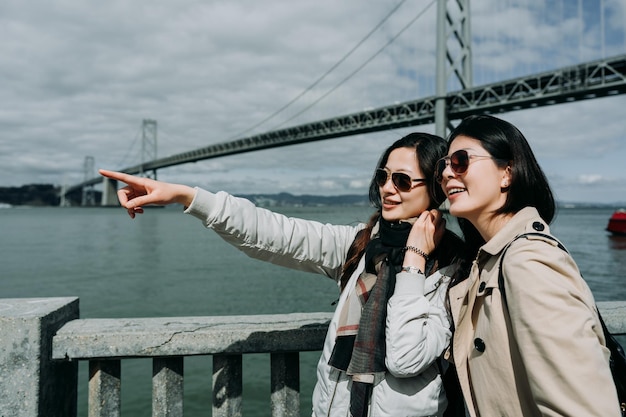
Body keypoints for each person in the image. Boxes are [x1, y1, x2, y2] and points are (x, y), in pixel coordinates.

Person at [100, 132, 464, 417]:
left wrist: (415, 257)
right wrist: (187, 197)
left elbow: (405, 358)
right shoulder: (361, 245)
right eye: (384, 176)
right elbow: (273, 233)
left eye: (402, 180)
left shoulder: (455, 270)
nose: (387, 188)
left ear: (435, 190)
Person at [436, 114, 621, 417]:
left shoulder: (527, 261)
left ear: (506, 173)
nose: (446, 174)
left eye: (460, 161)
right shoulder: (491, 259)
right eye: (443, 166)